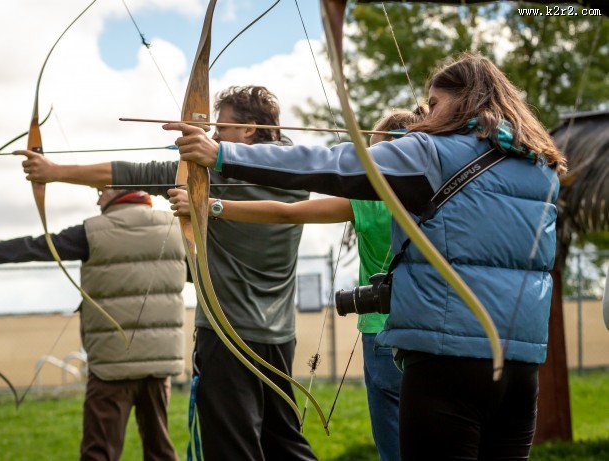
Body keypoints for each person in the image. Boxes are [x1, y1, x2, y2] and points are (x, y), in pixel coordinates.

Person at [168, 54, 565, 461]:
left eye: (434, 103)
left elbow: (330, 163)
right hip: (519, 367)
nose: (425, 114)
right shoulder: (540, 164)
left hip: (447, 363)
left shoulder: (429, 153)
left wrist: (222, 154)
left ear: (462, 102)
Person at [17, 86, 317, 460]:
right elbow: (135, 172)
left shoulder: (213, 179)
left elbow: (133, 172)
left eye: (220, 128)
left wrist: (53, 171)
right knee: (285, 442)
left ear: (250, 130)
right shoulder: (300, 172)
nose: (212, 137)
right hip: (280, 336)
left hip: (228, 337)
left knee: (232, 448)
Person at [168, 107, 426, 461]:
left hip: (383, 334)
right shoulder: (444, 196)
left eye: (376, 153)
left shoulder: (372, 201)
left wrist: (209, 205)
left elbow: (285, 214)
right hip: (433, 334)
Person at [0, 187, 185, 461]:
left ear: (120, 189)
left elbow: (33, 247)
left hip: (111, 365)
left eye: (102, 191)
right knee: (160, 451)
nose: (97, 199)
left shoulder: (93, 231)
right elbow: (196, 273)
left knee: (99, 453)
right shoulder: (175, 229)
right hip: (159, 364)